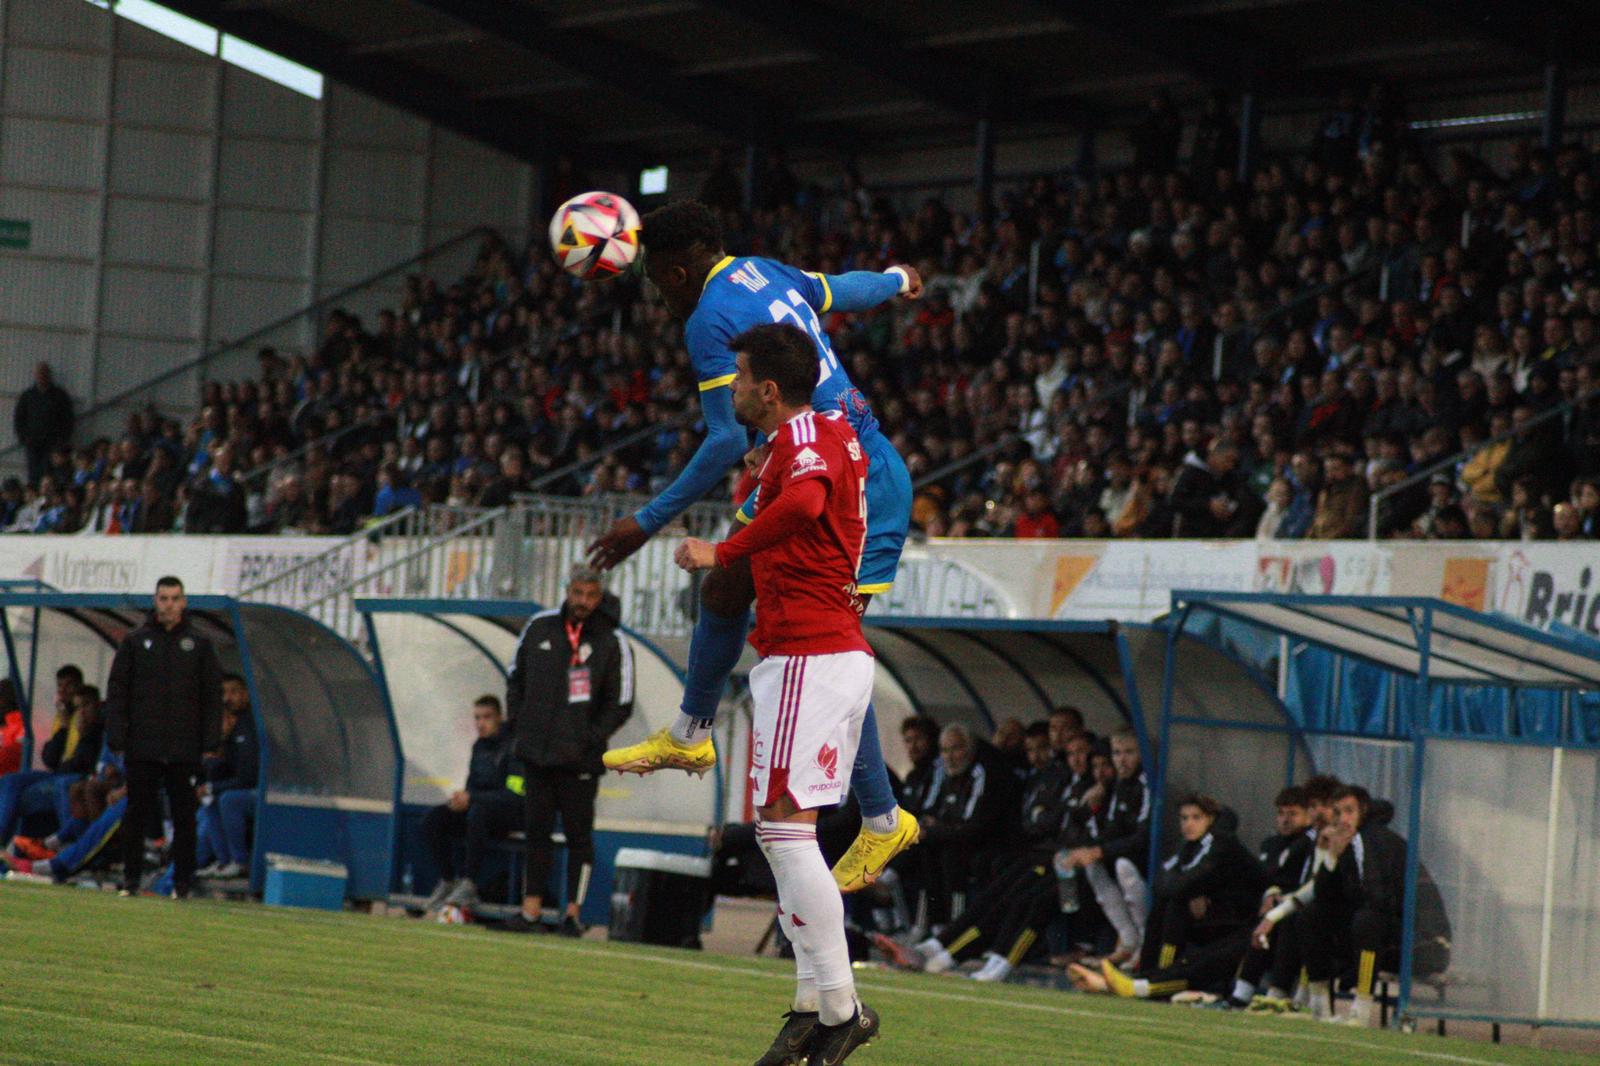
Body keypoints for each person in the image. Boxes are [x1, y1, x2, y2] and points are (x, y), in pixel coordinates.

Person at [596, 200, 923, 895]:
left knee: (825, 639)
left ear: (679, 269)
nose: (659, 291)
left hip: (851, 483)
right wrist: (896, 278)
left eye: (658, 279)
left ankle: (882, 816)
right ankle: (690, 732)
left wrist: (645, 522)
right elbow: (843, 289)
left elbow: (724, 440)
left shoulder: (708, 319)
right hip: (809, 462)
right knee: (725, 587)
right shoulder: (759, 270)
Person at [673, 322, 881, 1064]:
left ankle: (841, 1009)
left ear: (766, 388)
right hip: (813, 654)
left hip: (811, 653)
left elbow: (806, 503)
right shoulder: (813, 436)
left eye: (737, 378)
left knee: (788, 836)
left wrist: (721, 551)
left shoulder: (804, 441)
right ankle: (810, 1004)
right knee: (784, 834)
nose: (729, 389)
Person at [503, 566, 634, 936]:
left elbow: (621, 702)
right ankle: (530, 912)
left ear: (600, 595)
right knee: (536, 831)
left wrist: (588, 737)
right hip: (536, 753)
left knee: (578, 836)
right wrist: (519, 724)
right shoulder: (539, 626)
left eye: (591, 595)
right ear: (567, 591)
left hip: (580, 759)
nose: (583, 602)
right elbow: (515, 677)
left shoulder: (612, 640)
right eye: (578, 594)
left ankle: (572, 915)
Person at [103, 576, 222, 899]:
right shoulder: (135, 641)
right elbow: (117, 693)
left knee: (185, 818)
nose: (169, 605)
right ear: (155, 602)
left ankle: (182, 883)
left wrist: (210, 743)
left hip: (184, 750)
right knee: (136, 813)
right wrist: (118, 737)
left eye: (175, 598)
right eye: (163, 598)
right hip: (143, 746)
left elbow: (212, 697)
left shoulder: (199, 644)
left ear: (184, 602)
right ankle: (130, 880)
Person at [1056, 727, 1150, 964]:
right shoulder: (1117, 785)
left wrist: (1098, 850)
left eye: (1128, 752)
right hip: (1116, 854)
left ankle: (1145, 941)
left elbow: (1143, 837)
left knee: (1122, 866)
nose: (1122, 760)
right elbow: (1109, 830)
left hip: (1144, 858)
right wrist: (1085, 850)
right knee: (1084, 866)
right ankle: (1127, 939)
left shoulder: (1147, 783)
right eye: (1117, 753)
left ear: (1142, 753)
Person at [420, 695, 519, 910]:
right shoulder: (479, 747)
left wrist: (472, 798)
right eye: (477, 718)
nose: (480, 723)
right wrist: (461, 800)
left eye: (487, 717)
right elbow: (472, 786)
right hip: (478, 809)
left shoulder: (514, 748)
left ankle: (469, 883)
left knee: (478, 813)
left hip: (506, 815)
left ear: (500, 718)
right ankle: (448, 880)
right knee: (434, 818)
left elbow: (513, 796)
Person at [196, 674, 259, 880]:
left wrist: (214, 787)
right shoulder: (234, 728)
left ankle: (240, 861)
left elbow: (248, 776)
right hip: (242, 786)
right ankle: (224, 862)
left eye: (233, 692)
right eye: (224, 692)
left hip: (262, 790)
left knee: (229, 799)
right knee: (211, 800)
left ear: (246, 695)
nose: (227, 697)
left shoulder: (251, 724)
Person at [14, 361, 74, 486]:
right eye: (39, 374)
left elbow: (68, 419)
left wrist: (62, 440)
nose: (41, 376)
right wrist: (23, 438)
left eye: (44, 373)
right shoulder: (28, 395)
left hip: (52, 444)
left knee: (49, 473)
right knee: (33, 474)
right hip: (32, 443)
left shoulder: (59, 395)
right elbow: (19, 418)